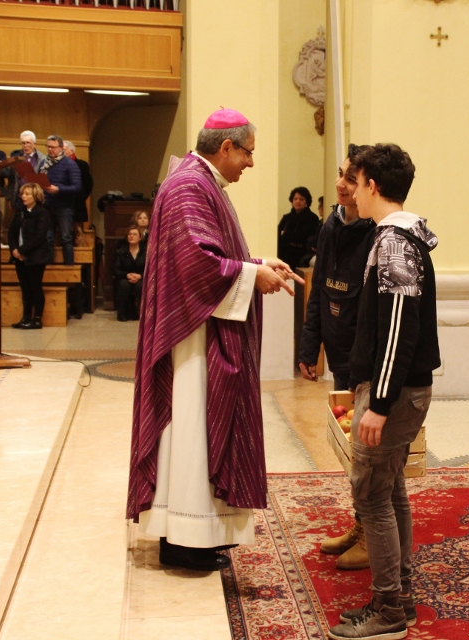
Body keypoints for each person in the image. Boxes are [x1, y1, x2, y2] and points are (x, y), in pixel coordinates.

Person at [126, 108, 304, 572]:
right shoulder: (189, 185)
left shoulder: (200, 181)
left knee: (198, 432)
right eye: (248, 153)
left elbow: (214, 253)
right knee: (192, 429)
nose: (251, 163)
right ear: (226, 146)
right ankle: (185, 540)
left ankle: (195, 537)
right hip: (192, 338)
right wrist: (251, 275)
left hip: (200, 325)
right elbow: (196, 263)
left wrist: (257, 263)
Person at [328, 143, 440, 640]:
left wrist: (378, 403)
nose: (350, 189)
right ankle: (400, 598)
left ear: (372, 184)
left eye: (356, 181)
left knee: (371, 494)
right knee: (389, 491)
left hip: (393, 392)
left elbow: (399, 327)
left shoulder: (395, 242)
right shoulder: (395, 237)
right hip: (397, 388)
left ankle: (389, 609)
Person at [298, 144, 376, 571]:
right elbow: (319, 291)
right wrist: (310, 347)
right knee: (352, 448)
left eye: (350, 178)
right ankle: (360, 523)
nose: (340, 185)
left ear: (368, 185)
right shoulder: (330, 225)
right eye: (340, 175)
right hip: (340, 352)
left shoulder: (377, 231)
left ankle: (372, 534)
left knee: (369, 452)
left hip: (367, 358)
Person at [7, 183, 53, 330]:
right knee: (25, 288)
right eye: (22, 194)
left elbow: (39, 236)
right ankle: (25, 317)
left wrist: (22, 250)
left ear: (35, 196)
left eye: (27, 194)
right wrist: (14, 250)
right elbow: (11, 233)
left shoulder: (42, 212)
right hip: (19, 256)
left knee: (35, 287)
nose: (23, 197)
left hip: (36, 256)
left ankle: (37, 319)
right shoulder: (20, 212)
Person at [39, 135, 81, 265]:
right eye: (48, 147)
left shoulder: (70, 164)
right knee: (47, 237)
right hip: (47, 204)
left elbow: (77, 186)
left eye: (53, 147)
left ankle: (69, 267)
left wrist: (59, 189)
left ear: (61, 148)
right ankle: (48, 266)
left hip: (64, 206)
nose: (50, 149)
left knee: (66, 238)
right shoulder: (43, 163)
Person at [277, 186, 321, 267]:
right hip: (283, 255)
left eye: (301, 199)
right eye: (295, 199)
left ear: (306, 202)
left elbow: (301, 238)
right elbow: (278, 236)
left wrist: (285, 234)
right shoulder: (286, 217)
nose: (298, 201)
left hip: (301, 257)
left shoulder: (312, 218)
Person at [114, 226, 146, 322]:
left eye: (134, 234)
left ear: (140, 237)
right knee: (123, 284)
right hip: (125, 277)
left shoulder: (145, 252)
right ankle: (122, 313)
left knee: (140, 286)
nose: (131, 236)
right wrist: (127, 275)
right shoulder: (120, 251)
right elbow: (115, 270)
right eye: (129, 234)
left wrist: (140, 276)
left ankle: (143, 313)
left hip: (141, 277)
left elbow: (150, 269)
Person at [63, 141, 93, 225]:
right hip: (62, 202)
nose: (61, 152)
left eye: (64, 150)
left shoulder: (82, 165)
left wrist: (81, 196)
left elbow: (88, 183)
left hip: (77, 202)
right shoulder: (58, 164)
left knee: (78, 228)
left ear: (71, 151)